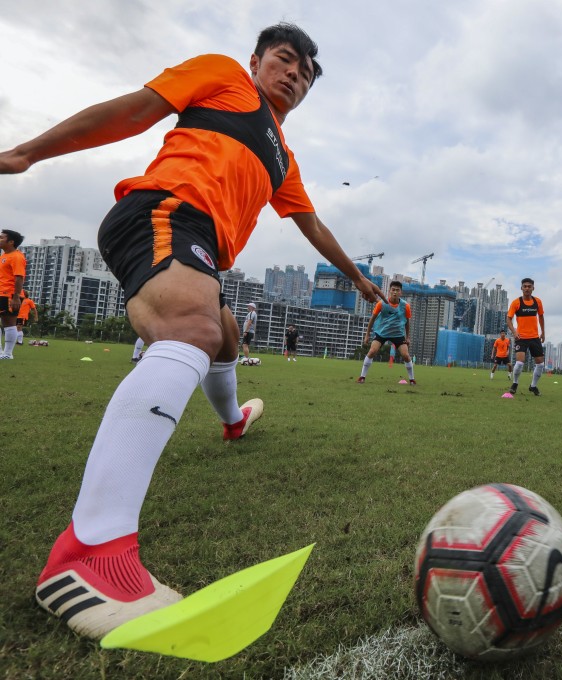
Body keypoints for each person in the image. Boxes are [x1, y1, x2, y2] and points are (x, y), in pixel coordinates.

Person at [0, 23, 385, 639]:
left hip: (203, 245)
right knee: (195, 326)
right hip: (165, 211)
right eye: (285, 62)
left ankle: (233, 420)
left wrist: (360, 279)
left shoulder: (282, 156)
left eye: (306, 75)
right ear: (256, 62)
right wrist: (28, 153)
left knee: (225, 335)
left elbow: (312, 225)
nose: (295, 76)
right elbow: (134, 111)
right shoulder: (224, 79)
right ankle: (90, 554)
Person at [359, 280, 415, 384]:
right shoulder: (381, 304)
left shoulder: (405, 306)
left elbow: (407, 322)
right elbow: (372, 319)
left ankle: (412, 379)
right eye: (393, 290)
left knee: (406, 355)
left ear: (401, 293)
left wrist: (407, 337)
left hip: (398, 334)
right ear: (389, 291)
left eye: (397, 290)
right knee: (372, 351)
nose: (395, 292)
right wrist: (367, 335)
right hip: (382, 332)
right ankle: (362, 377)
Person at [506, 278, 546, 396]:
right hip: (521, 337)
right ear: (521, 288)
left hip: (534, 337)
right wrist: (514, 331)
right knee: (519, 363)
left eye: (529, 286)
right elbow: (508, 318)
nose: (527, 288)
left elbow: (541, 317)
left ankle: (533, 386)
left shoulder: (537, 302)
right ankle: (515, 383)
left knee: (540, 364)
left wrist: (543, 332)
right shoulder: (516, 303)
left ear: (533, 288)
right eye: (525, 286)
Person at [0, 229, 27, 359]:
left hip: (9, 295)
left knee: (9, 324)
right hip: (1, 293)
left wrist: (16, 297)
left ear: (11, 242)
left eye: (1, 238)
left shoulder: (17, 256)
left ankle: (8, 353)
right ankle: (1, 353)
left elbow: (19, 278)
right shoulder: (4, 256)